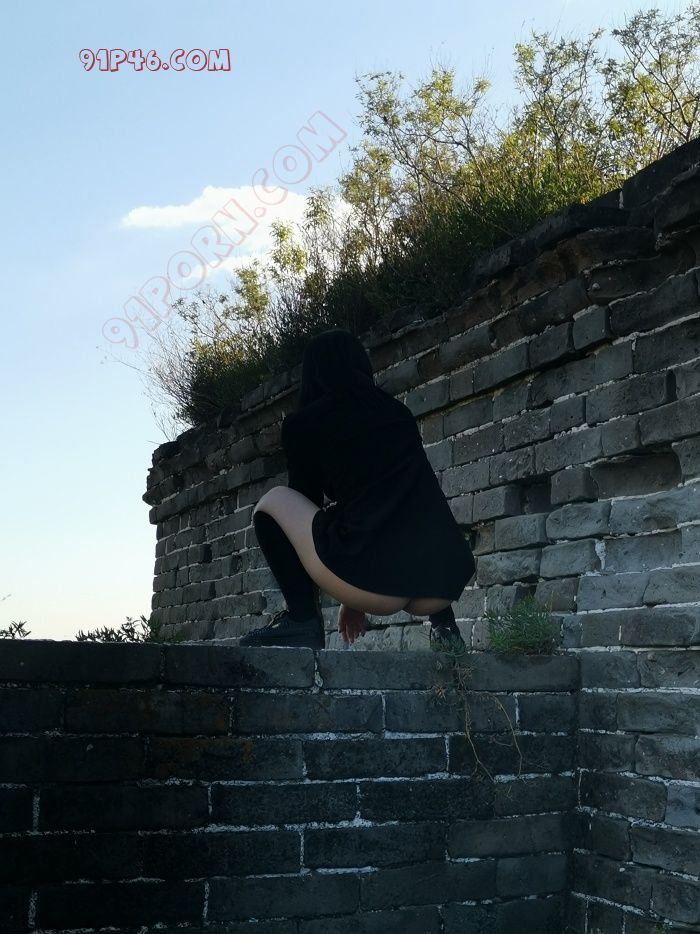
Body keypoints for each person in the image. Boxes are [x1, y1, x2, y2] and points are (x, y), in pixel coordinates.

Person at [239, 327, 476, 652]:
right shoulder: (397, 413)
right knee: (411, 496)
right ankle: (446, 628)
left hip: (379, 588)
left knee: (274, 502)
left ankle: (301, 622)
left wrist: (352, 589)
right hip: (437, 585)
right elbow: (411, 502)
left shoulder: (304, 423)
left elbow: (305, 508)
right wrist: (352, 600)